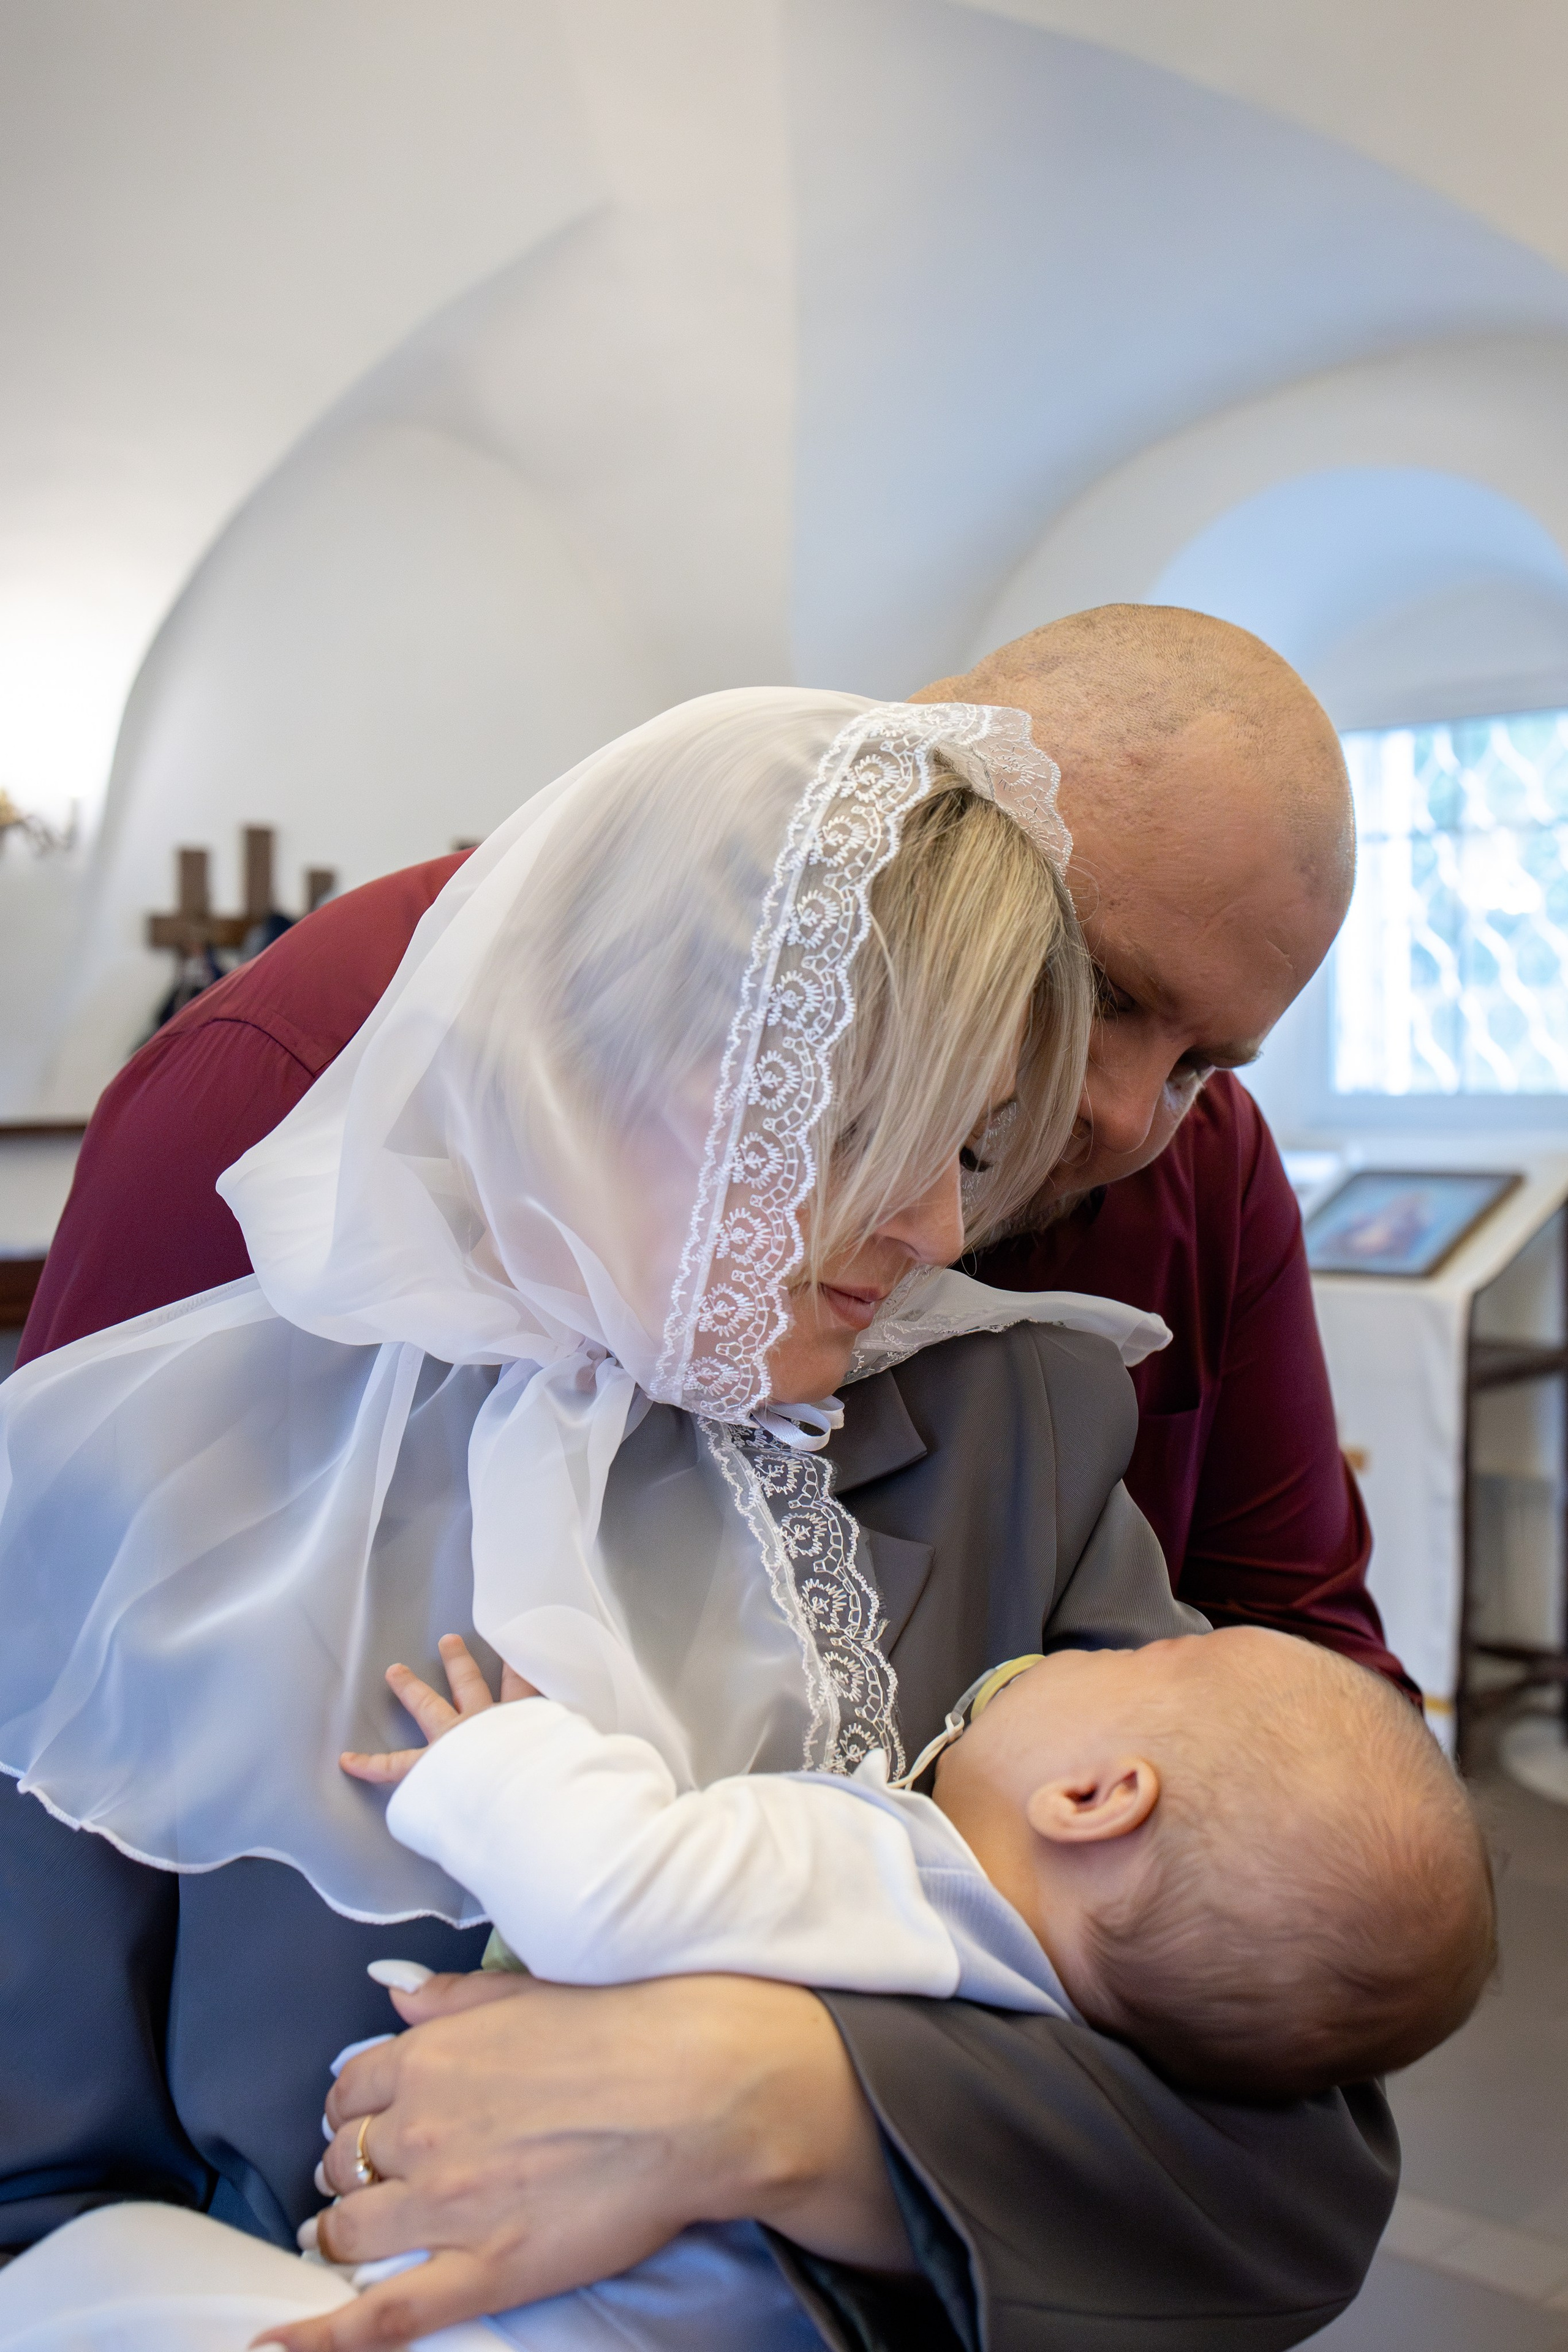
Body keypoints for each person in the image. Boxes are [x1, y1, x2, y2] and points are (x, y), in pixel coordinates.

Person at [1, 643, 1404, 2350]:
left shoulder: (1017, 1438)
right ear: (595, 1044)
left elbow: (1295, 2108)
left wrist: (804, 2104)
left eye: (972, 1144)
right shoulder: (159, 1467)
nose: (951, 1232)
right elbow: (38, 2182)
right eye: (856, 1123)